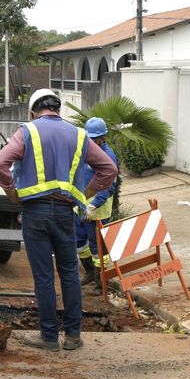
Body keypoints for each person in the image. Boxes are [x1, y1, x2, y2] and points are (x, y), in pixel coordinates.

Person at [0, 89, 117, 352]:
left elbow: (0, 163)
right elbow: (109, 169)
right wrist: (86, 193)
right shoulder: (79, 134)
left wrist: (11, 192)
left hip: (35, 213)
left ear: (33, 110)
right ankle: (73, 336)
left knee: (44, 277)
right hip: (65, 213)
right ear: (58, 109)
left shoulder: (28, 131)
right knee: (70, 274)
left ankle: (48, 337)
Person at [76, 117, 120, 292]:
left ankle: (100, 281)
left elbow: (109, 186)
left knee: (98, 247)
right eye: (90, 138)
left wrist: (93, 205)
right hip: (81, 206)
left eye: (95, 139)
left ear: (103, 138)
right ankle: (88, 272)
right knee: (79, 241)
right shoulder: (85, 151)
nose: (92, 142)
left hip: (98, 209)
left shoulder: (108, 157)